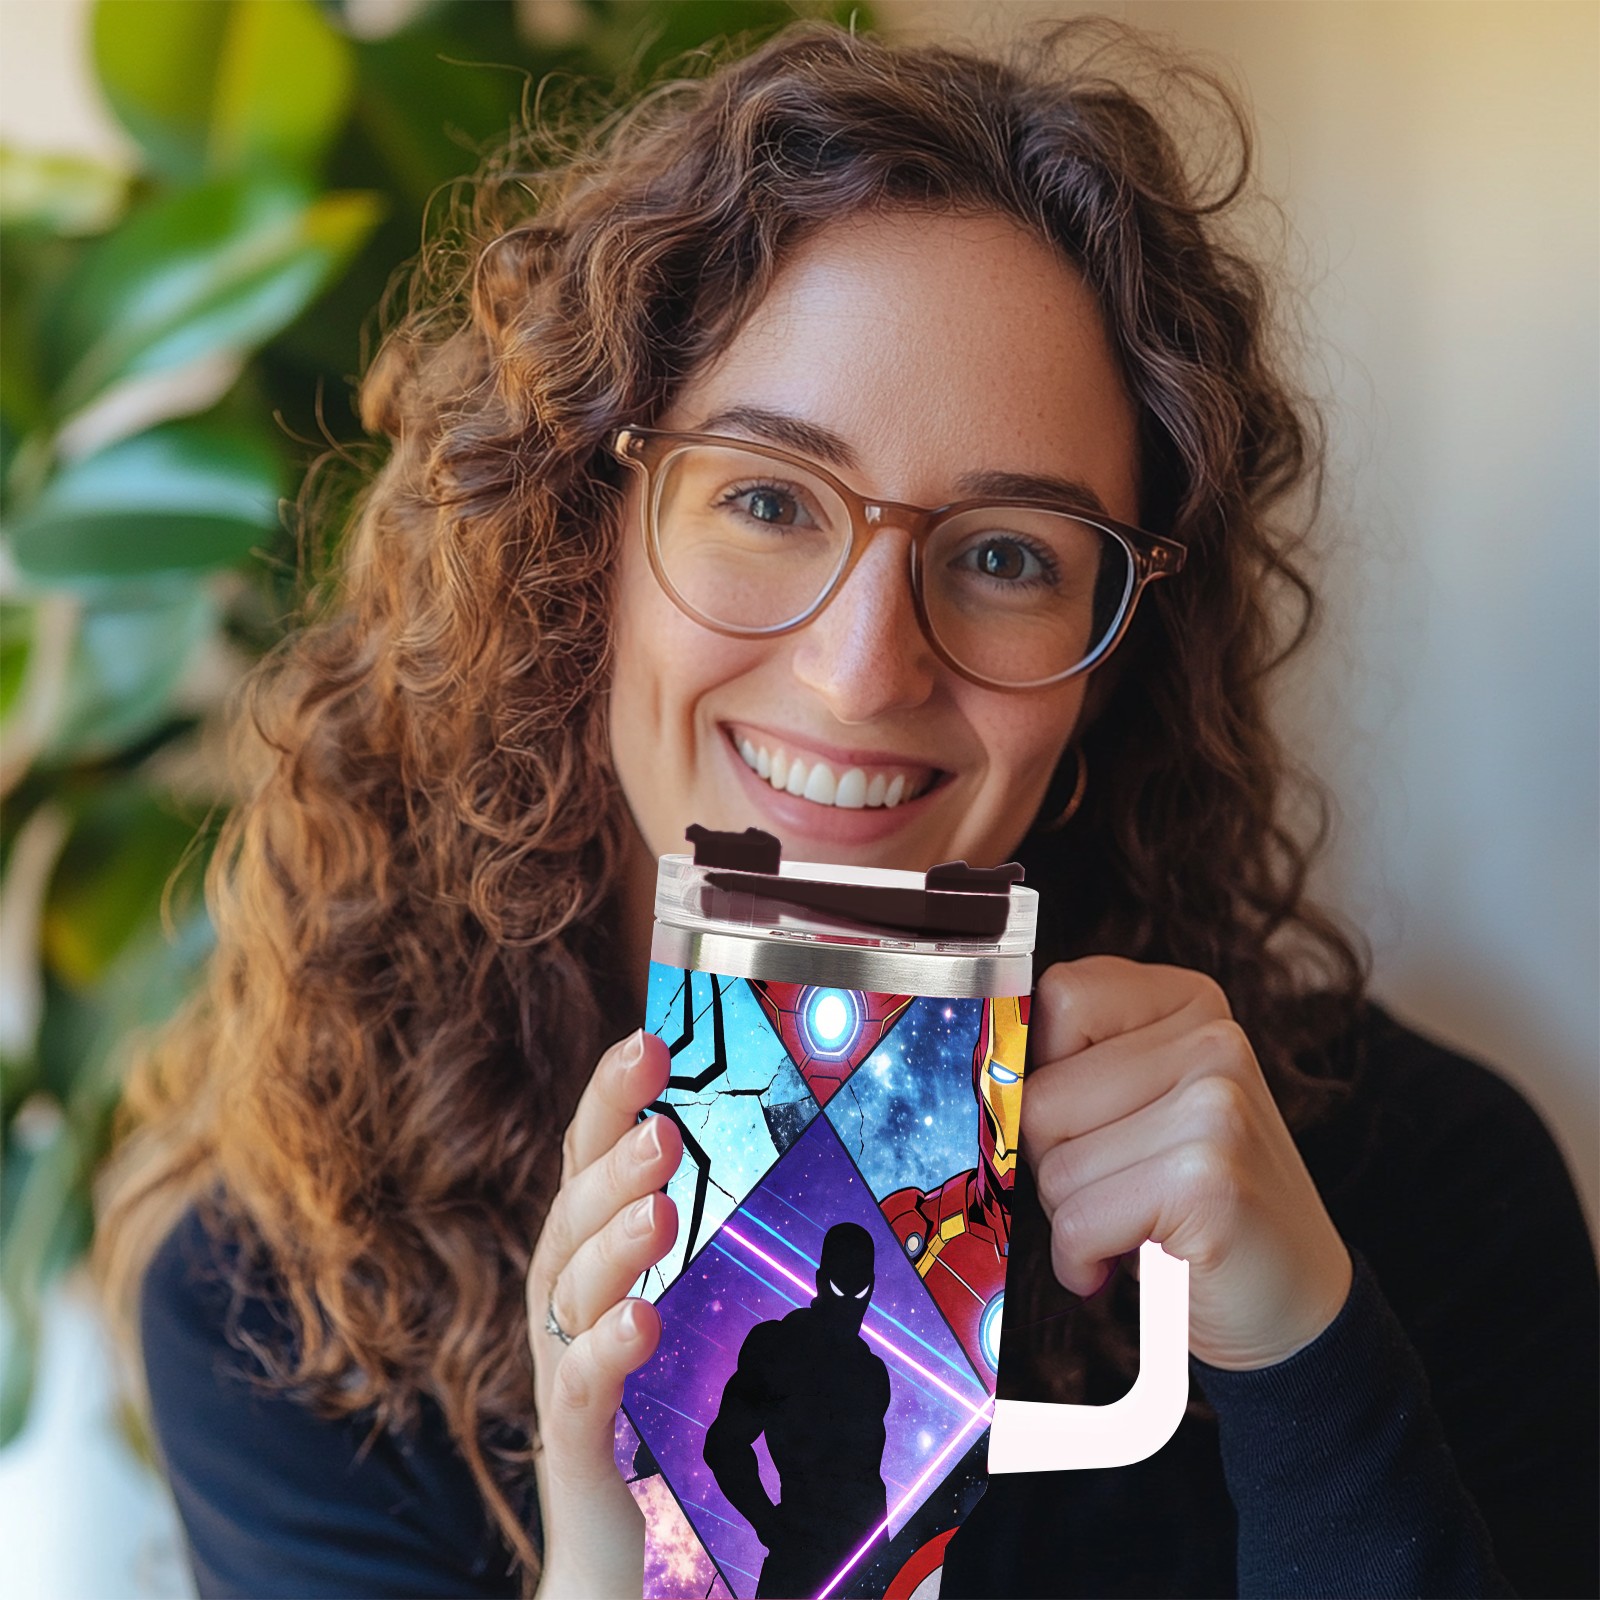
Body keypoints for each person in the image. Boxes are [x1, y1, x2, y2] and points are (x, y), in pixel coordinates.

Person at [96, 18, 1597, 1600]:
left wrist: (1306, 1368)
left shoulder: (1419, 1194)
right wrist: (613, 1562)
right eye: (765, 499)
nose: (864, 671)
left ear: (1113, 663)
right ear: (579, 551)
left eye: (1007, 553)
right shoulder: (292, 1300)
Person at [703, 1222, 891, 1598]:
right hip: (803, 1569)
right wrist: (768, 1524)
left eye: (861, 1291)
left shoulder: (872, 1372)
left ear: (872, 1288)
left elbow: (867, 1482)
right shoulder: (779, 1347)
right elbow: (723, 1446)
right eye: (839, 1287)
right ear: (820, 1281)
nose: (850, 1303)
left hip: (874, 1569)